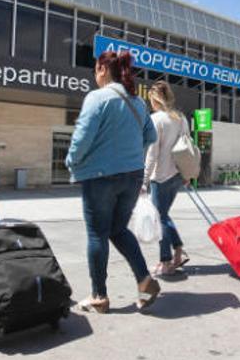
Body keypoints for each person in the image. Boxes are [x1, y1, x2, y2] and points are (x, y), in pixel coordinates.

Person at [66, 51, 161, 314]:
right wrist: (128, 155)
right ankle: (144, 280)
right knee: (118, 230)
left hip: (100, 177)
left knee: (97, 234)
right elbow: (149, 136)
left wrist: (72, 161)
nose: (95, 76)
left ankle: (99, 295)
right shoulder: (138, 103)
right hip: (131, 176)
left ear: (104, 70)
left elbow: (83, 137)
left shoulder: (98, 98)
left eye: (96, 70)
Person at [144, 80, 191, 276]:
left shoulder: (156, 120)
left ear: (155, 100)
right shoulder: (181, 118)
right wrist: (187, 174)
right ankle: (178, 250)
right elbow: (188, 148)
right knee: (164, 215)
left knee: (159, 219)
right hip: (177, 176)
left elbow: (152, 153)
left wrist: (144, 179)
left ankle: (165, 261)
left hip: (161, 177)